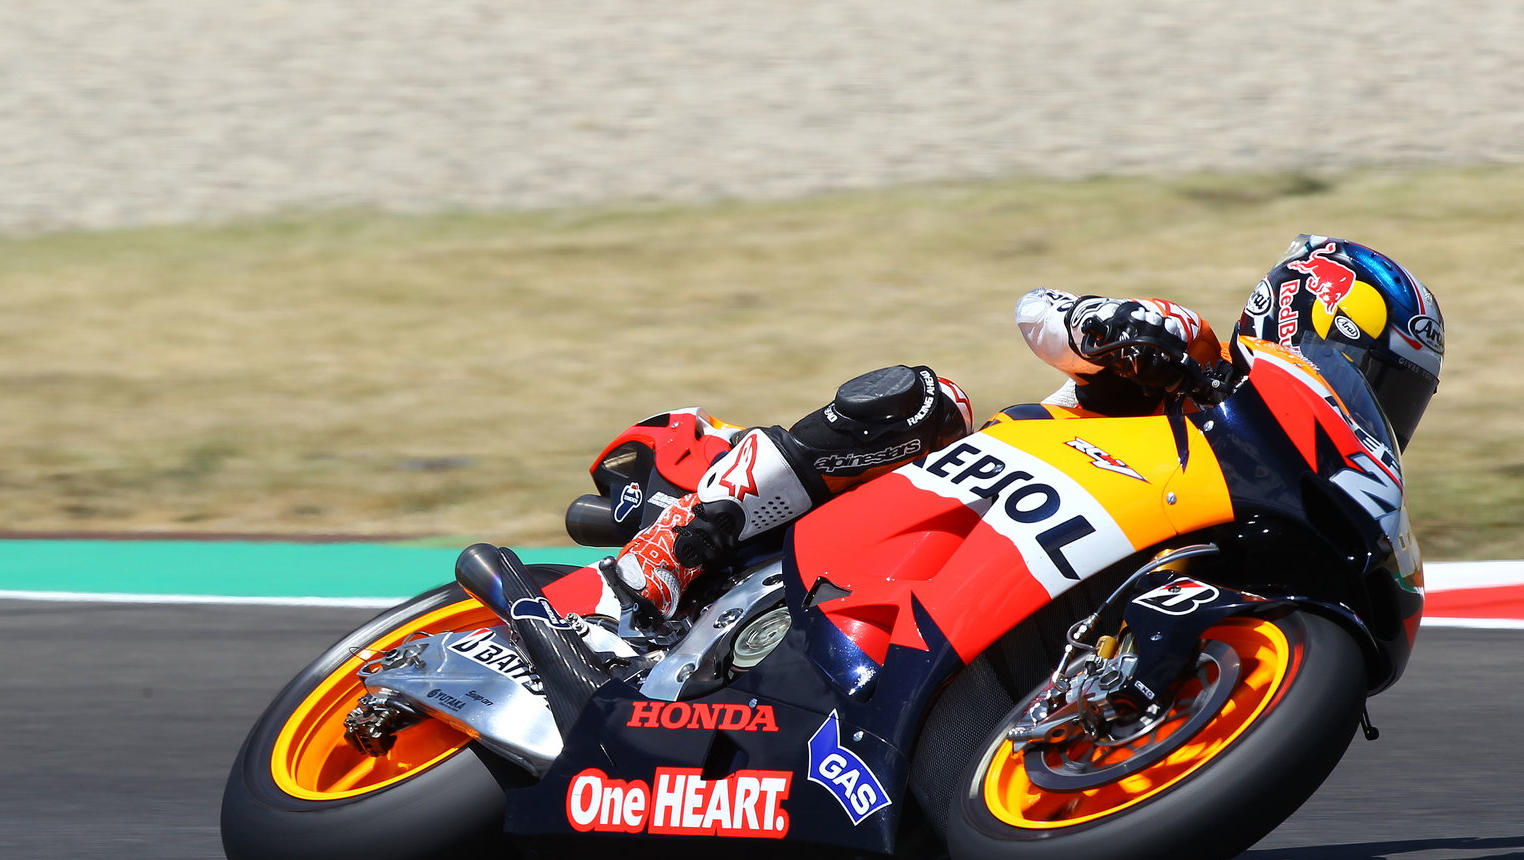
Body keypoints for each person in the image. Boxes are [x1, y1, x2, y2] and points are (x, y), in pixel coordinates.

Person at [606, 234, 1444, 619]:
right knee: (927, 401)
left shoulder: (1283, 494)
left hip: (1017, 585)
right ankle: (682, 536)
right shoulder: (1192, 351)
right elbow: (1038, 314)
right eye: (1377, 375)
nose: (1379, 407)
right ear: (1303, 322)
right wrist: (1107, 326)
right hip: (966, 499)